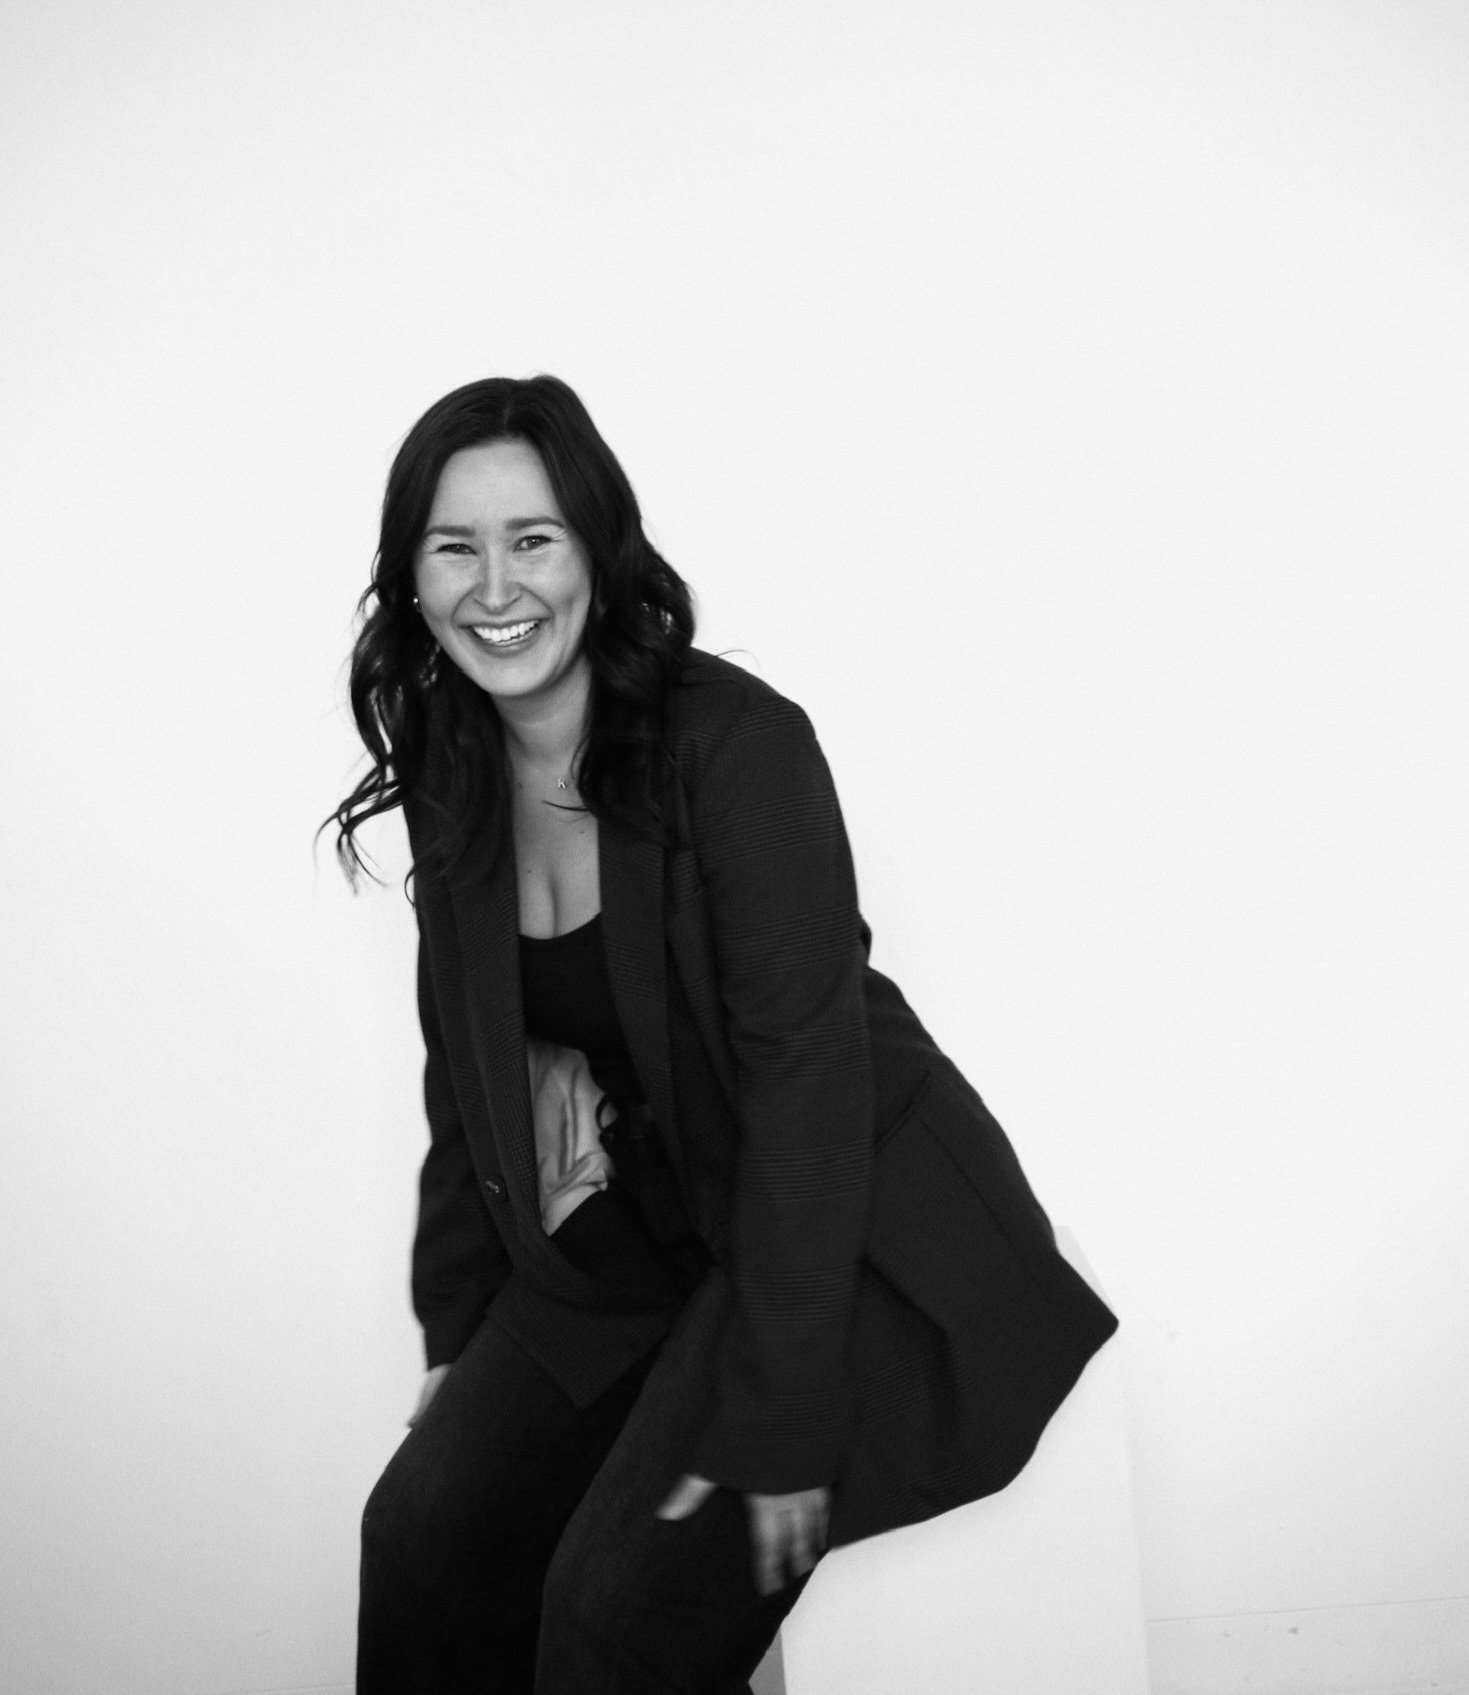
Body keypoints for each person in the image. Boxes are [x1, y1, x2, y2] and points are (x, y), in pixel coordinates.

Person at [330, 375, 1118, 1694]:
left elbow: (809, 1086)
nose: (494, 586)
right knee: (416, 1539)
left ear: (597, 549)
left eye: (532, 539)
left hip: (839, 1230)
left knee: (610, 1613)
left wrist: (782, 1410)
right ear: (410, 579)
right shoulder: (454, 764)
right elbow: (467, 1067)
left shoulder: (735, 747)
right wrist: (459, 1333)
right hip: (648, 1231)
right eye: (453, 548)